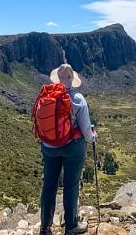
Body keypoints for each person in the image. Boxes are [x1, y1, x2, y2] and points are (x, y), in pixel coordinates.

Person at [39, 63, 96, 235]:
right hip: (73, 148)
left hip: (49, 147)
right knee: (71, 186)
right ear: (72, 79)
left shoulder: (47, 97)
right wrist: (93, 137)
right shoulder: (78, 99)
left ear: (57, 78)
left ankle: (45, 228)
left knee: (49, 185)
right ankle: (71, 226)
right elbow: (86, 130)